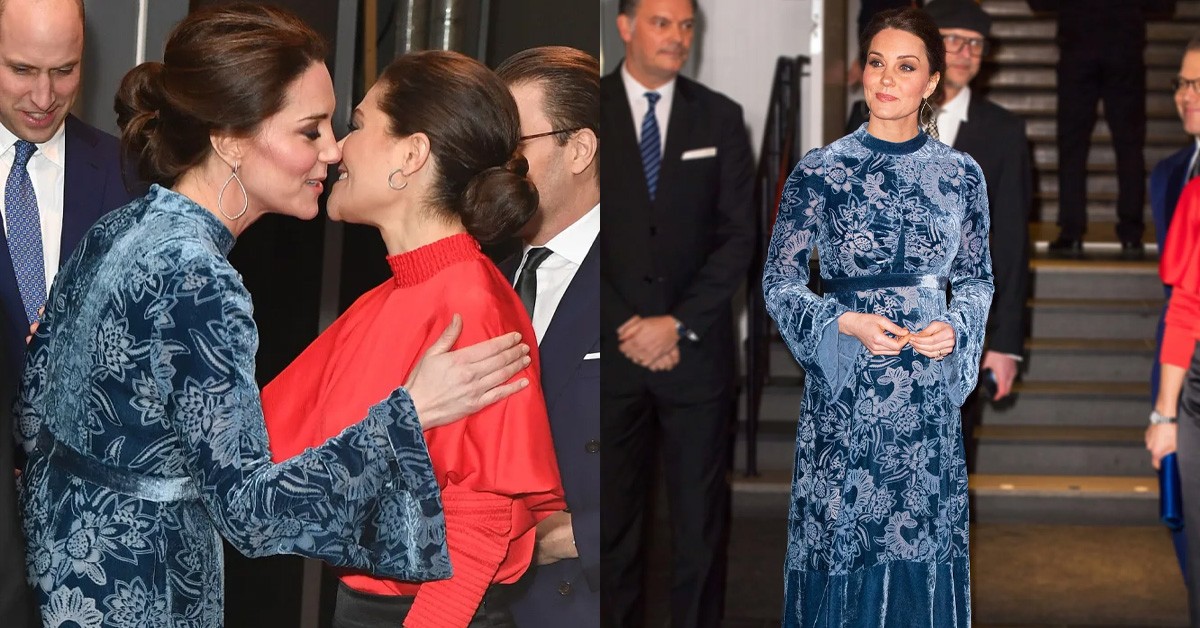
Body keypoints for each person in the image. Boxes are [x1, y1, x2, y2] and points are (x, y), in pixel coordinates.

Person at [16, 5, 532, 626]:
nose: (333, 150)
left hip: (65, 572)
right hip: (145, 590)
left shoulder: (125, 224)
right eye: (309, 130)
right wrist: (408, 414)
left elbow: (32, 411)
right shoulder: (202, 279)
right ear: (231, 138)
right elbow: (252, 515)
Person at [260, 50, 565, 628]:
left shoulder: (469, 301)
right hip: (373, 607)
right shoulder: (392, 299)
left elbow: (481, 518)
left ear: (411, 153)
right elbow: (259, 442)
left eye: (357, 124)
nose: (336, 149)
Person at [763, 8, 992, 625]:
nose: (887, 79)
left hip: (925, 398)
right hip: (849, 397)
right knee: (845, 535)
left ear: (932, 83)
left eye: (906, 66)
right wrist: (842, 322)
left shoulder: (962, 177)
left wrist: (959, 327)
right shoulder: (818, 171)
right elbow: (779, 283)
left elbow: (975, 280)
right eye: (876, 62)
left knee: (922, 536)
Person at [599, 0, 754, 624]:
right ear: (626, 27)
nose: (678, 37)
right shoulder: (584, 112)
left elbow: (740, 237)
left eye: (688, 25)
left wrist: (677, 323)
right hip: (609, 355)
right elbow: (569, 231)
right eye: (663, 22)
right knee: (608, 527)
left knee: (699, 529)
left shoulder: (720, 117)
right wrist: (626, 323)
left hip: (697, 356)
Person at [0, 1, 140, 624]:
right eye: (21, 69)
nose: (43, 95)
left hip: (92, 520)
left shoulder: (128, 174)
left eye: (65, 70)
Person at [495, 46, 601, 626]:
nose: (496, 167)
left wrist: (571, 538)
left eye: (513, 146)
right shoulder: (487, 272)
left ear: (579, 149)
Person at [923, 0, 1031, 470]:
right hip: (876, 328)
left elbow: (1009, 244)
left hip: (957, 331)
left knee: (948, 470)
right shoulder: (869, 117)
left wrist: (1004, 344)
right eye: (952, 40)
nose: (964, 52)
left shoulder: (1004, 132)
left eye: (975, 44)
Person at [1029, 0, 1176, 258]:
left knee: (1073, 145)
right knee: (1129, 144)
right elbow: (1164, 5)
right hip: (1124, 47)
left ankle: (1071, 231)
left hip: (1078, 43)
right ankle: (1131, 235)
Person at [1144, 33, 1200, 582]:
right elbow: (1181, 300)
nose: (1187, 94)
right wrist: (1165, 404)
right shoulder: (1170, 173)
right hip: (1181, 366)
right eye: (1182, 82)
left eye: (1199, 83)